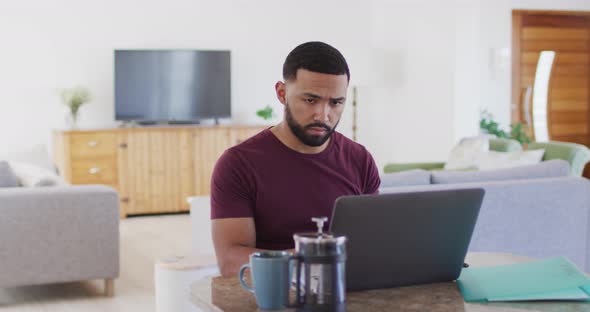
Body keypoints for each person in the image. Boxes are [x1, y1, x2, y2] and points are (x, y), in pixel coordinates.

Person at [210, 41, 380, 277]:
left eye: (335, 102)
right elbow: (230, 262)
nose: (323, 115)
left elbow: (373, 246)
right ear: (282, 93)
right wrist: (314, 258)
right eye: (310, 100)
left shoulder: (360, 160)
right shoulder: (238, 165)